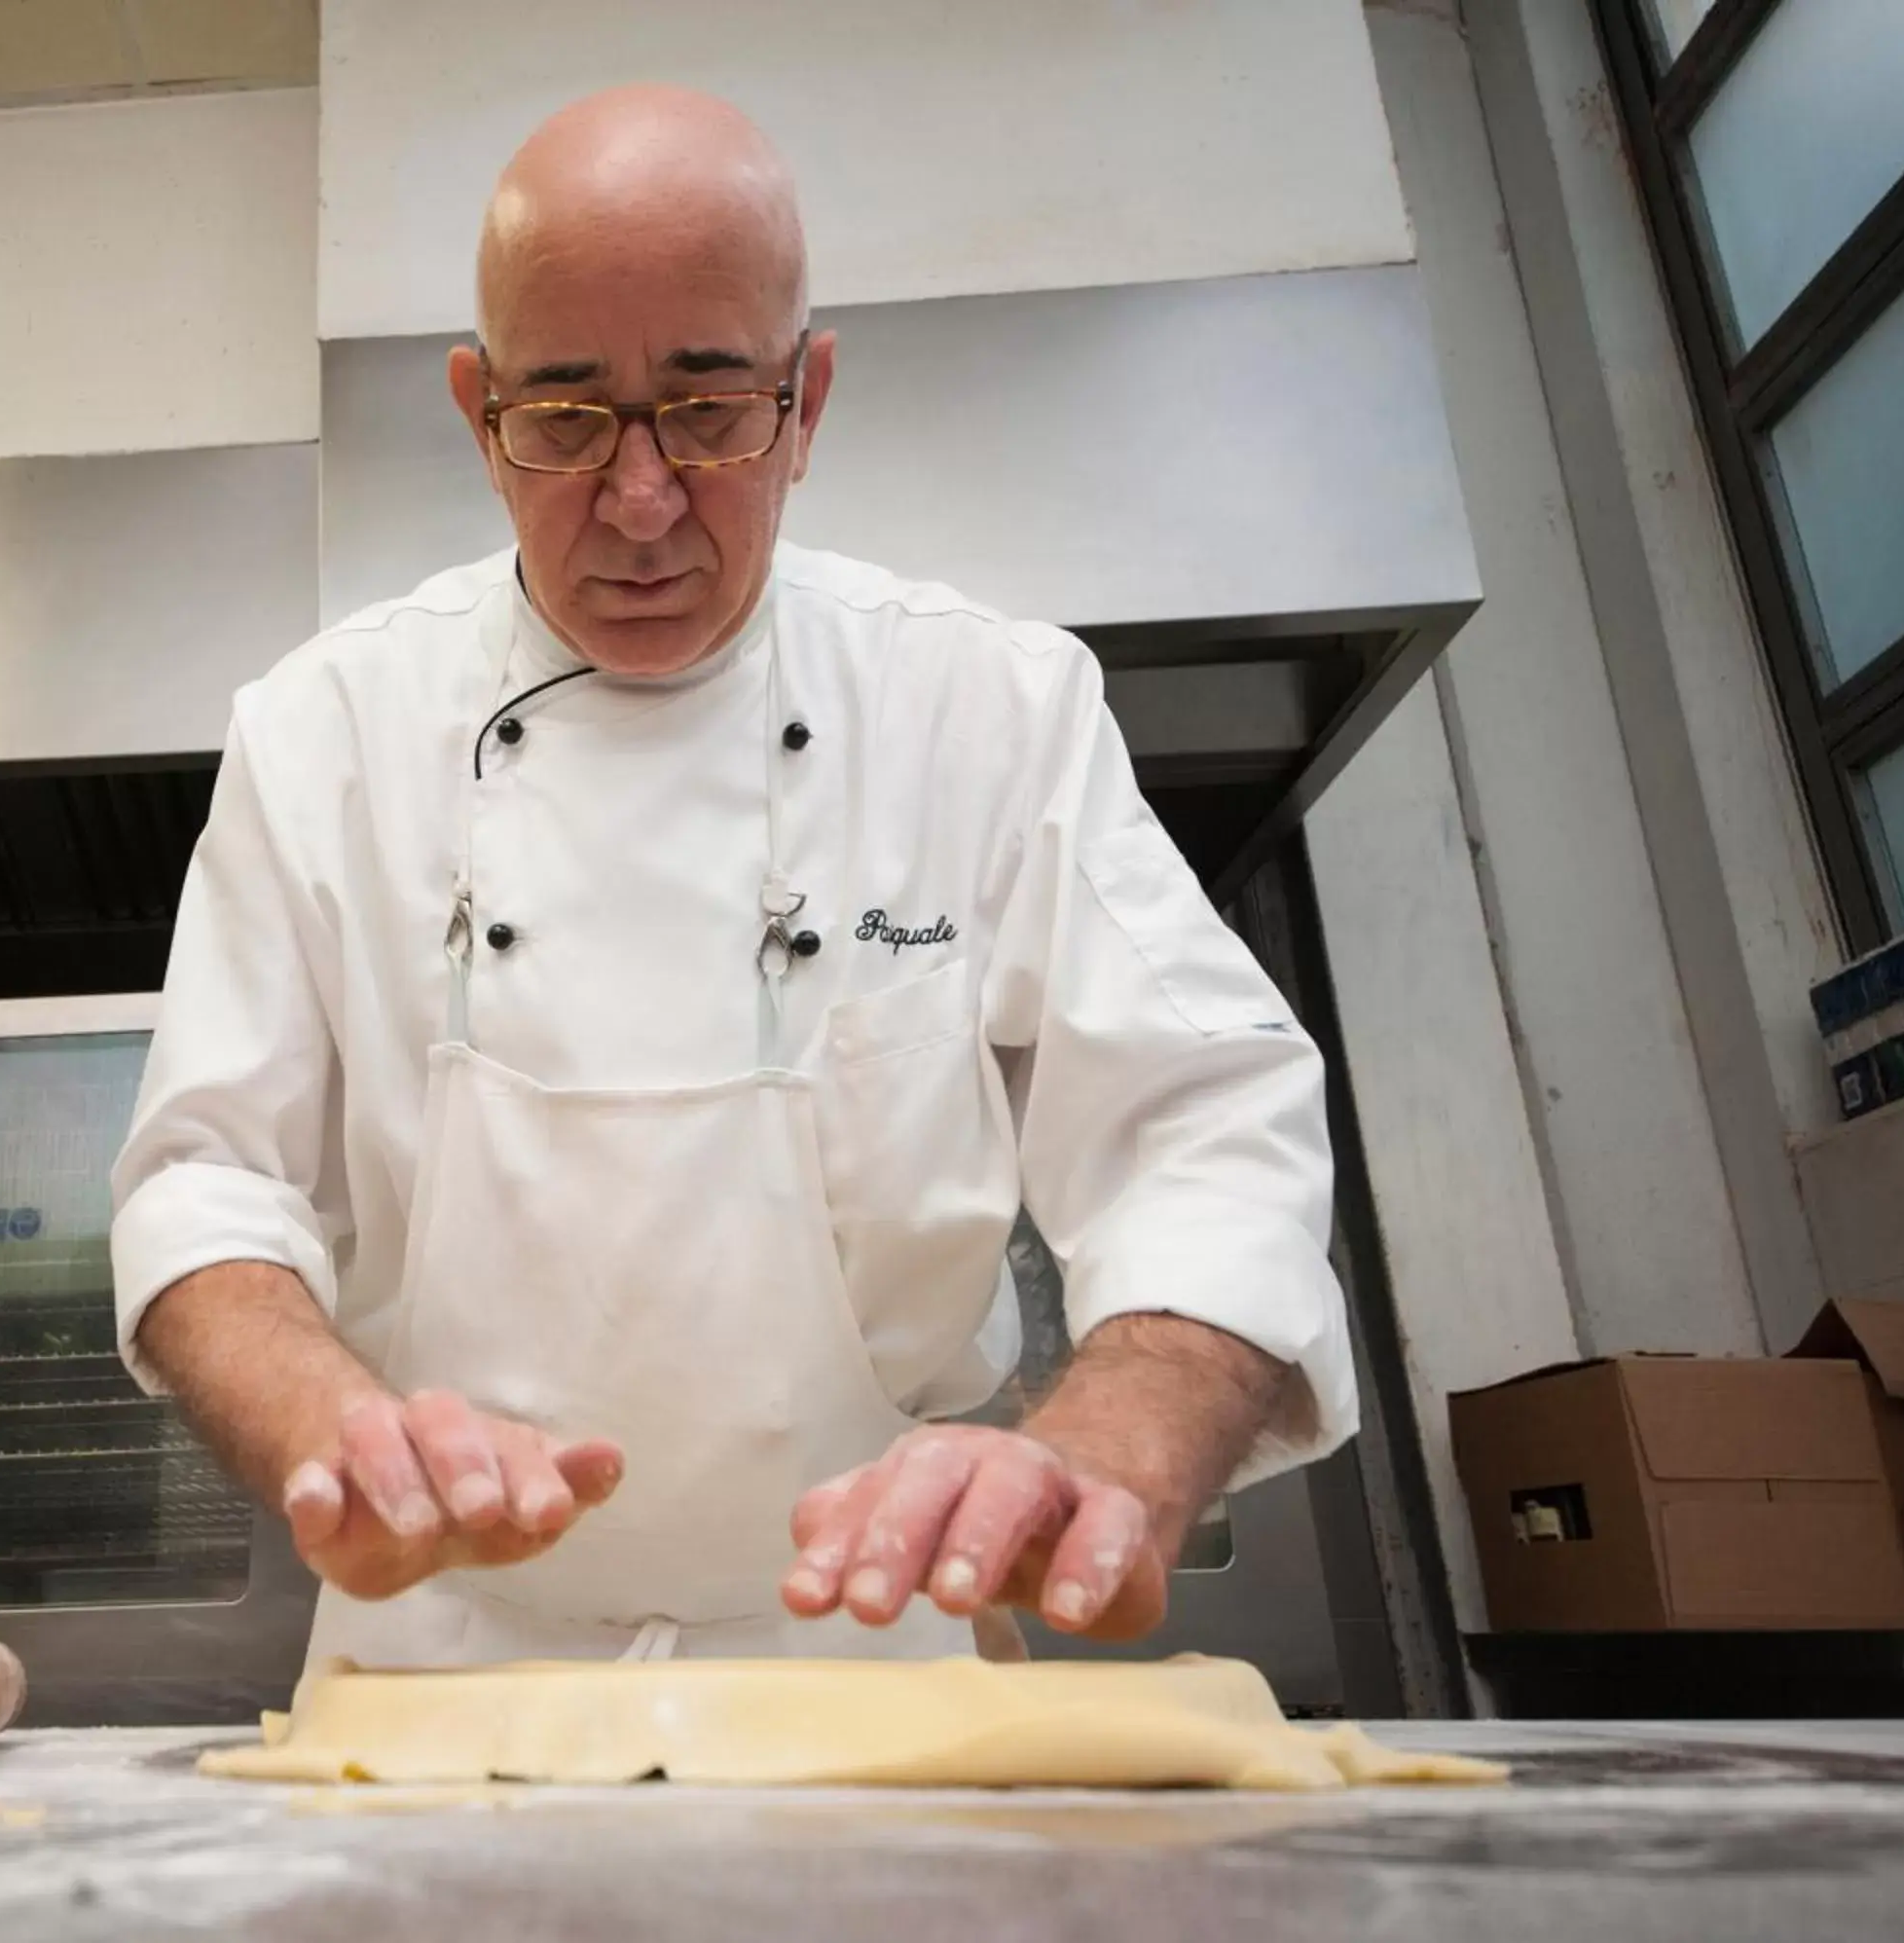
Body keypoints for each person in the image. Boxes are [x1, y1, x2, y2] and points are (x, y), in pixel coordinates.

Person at [109, 84, 1353, 1668]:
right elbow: (208, 1178)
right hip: (444, 1659)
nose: (639, 502)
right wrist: (325, 1422)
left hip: (875, 1639)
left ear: (810, 399)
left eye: (709, 413)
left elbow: (1207, 1126)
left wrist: (1106, 1446)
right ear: (476, 413)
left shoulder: (984, 708)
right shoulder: (320, 735)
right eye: (565, 420)